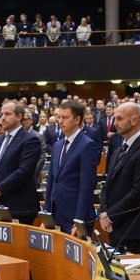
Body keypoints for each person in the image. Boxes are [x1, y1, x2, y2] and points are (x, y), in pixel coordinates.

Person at [98, 103, 140, 255]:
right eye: (114, 119)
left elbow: (139, 193)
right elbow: (108, 184)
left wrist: (110, 215)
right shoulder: (118, 150)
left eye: (119, 119)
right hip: (116, 227)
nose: (115, 123)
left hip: (136, 231)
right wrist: (104, 212)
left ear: (134, 120)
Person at [0, 101, 42, 224]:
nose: (3, 118)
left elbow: (24, 171)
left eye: (7, 114)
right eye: (2, 114)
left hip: (19, 207)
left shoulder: (31, 140)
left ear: (19, 117)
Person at [44, 100, 97, 234]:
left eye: (65, 117)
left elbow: (86, 187)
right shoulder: (57, 145)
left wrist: (79, 221)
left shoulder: (87, 145)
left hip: (74, 217)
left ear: (77, 119)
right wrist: (46, 214)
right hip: (55, 215)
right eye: (59, 117)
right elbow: (51, 181)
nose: (60, 121)